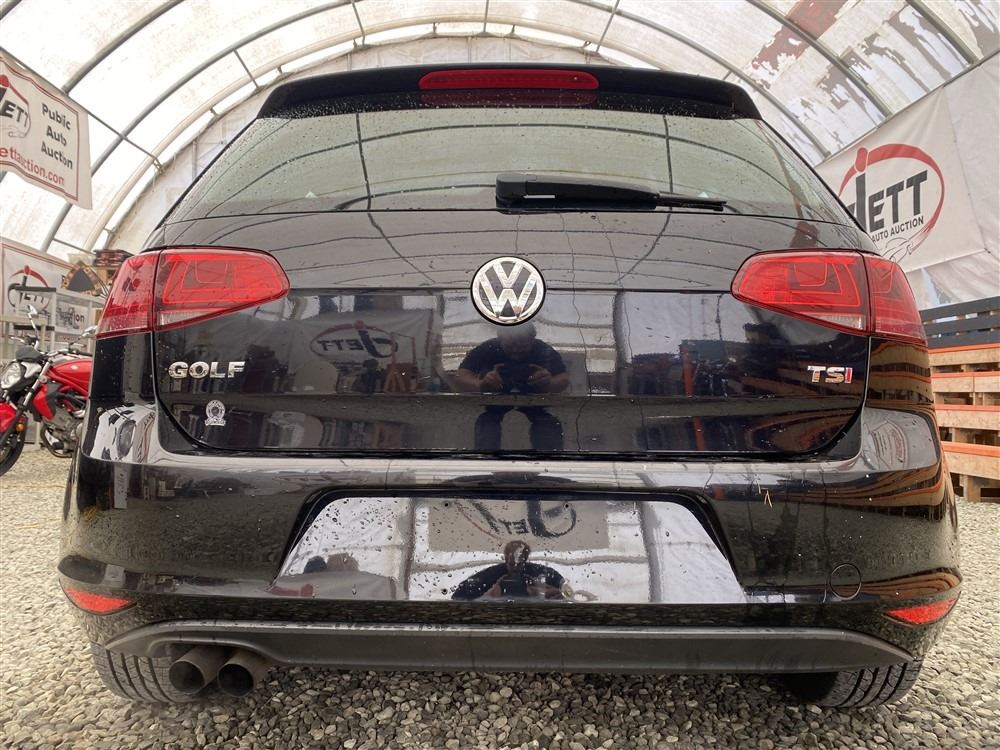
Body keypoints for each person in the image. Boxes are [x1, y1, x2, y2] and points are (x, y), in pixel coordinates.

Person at [455, 324, 568, 451]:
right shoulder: (488, 348)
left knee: (546, 423)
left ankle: (548, 458)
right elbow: (461, 376)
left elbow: (563, 378)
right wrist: (481, 385)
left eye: (523, 346)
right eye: (510, 346)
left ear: (532, 341)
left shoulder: (543, 350)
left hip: (534, 402)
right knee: (487, 423)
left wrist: (549, 383)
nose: (516, 351)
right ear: (500, 340)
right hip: (494, 402)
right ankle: (486, 457)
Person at [451, 540, 566, 601]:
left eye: (519, 564)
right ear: (505, 559)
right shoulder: (492, 574)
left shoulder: (536, 572)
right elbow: (460, 593)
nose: (515, 567)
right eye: (511, 564)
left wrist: (558, 592)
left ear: (525, 560)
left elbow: (562, 586)